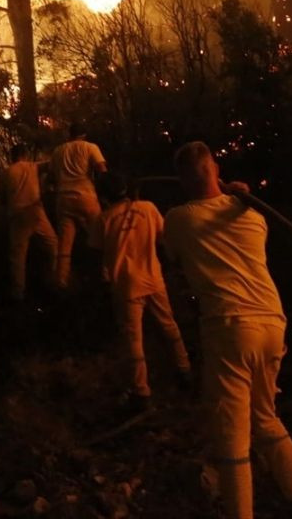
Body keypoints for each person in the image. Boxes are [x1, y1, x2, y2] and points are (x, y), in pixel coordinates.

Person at [163, 141, 292, 519]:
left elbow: (172, 257)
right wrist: (241, 196)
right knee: (265, 417)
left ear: (183, 181)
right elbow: (232, 221)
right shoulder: (254, 216)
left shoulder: (178, 219)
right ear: (216, 168)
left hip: (230, 327)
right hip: (272, 322)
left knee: (232, 435)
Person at [89, 173, 192, 411]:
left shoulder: (102, 220)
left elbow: (96, 253)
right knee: (169, 326)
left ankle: (141, 391)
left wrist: (103, 281)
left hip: (126, 285)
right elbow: (163, 238)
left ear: (102, 195)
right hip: (153, 279)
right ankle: (185, 370)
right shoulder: (148, 208)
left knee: (133, 338)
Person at [50, 122, 107, 287]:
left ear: (70, 134)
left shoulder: (58, 151)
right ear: (84, 134)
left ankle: (61, 281)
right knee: (100, 237)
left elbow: (52, 177)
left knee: (65, 244)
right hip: (86, 196)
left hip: (63, 199)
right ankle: (106, 275)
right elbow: (102, 169)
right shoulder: (90, 147)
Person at [0, 143, 57, 302]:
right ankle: (53, 281)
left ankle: (18, 294)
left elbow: (2, 198)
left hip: (17, 216)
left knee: (18, 256)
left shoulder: (6, 172)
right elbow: (51, 164)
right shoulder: (33, 166)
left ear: (12, 156)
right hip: (36, 212)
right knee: (53, 245)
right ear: (25, 154)